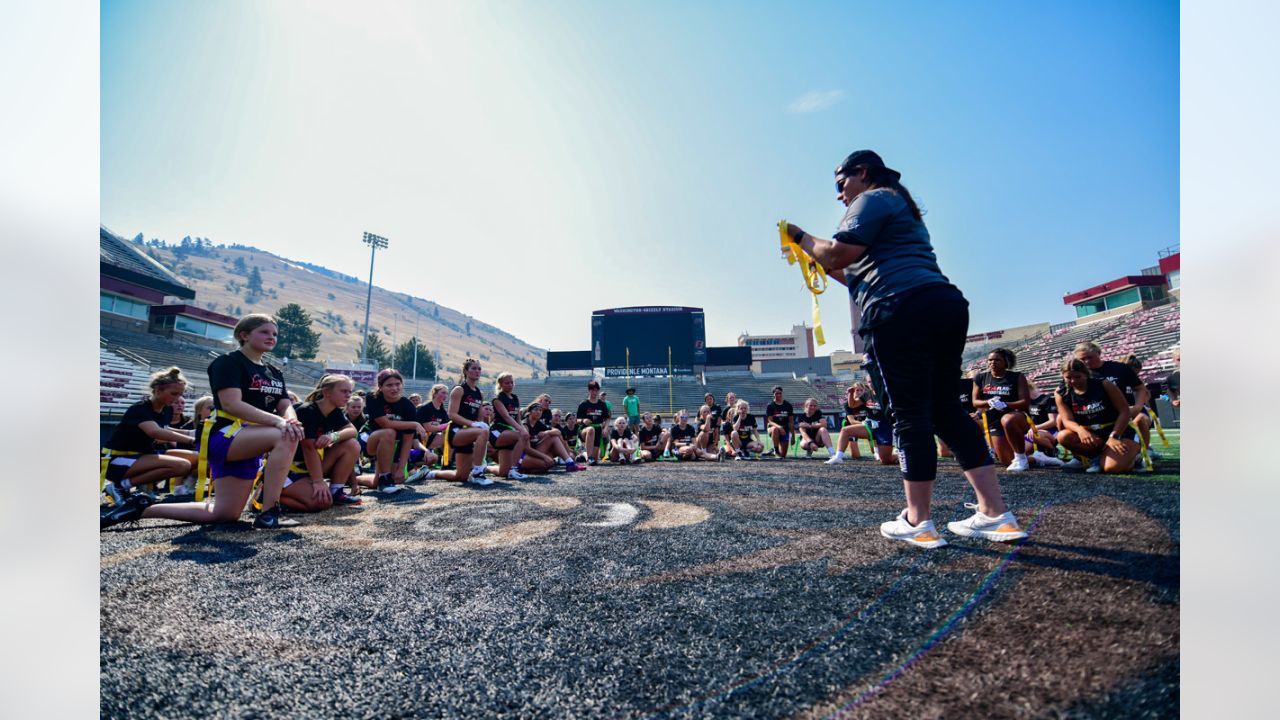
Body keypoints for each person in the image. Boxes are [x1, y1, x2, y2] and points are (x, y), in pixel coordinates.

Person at [784, 149, 1023, 548]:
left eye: (841, 185)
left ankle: (918, 520)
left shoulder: (873, 198)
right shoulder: (900, 209)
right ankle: (996, 513)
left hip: (899, 310)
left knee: (909, 414)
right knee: (946, 410)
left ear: (862, 173)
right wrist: (819, 261)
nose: (840, 195)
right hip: (941, 303)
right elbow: (851, 273)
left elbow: (838, 253)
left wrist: (799, 236)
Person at [103, 314, 304, 530]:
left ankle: (140, 509)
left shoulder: (274, 372)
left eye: (274, 334)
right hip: (225, 435)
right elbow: (231, 404)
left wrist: (291, 420)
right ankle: (269, 511)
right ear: (244, 335)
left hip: (252, 439)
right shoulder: (228, 362)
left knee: (224, 513)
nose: (271, 337)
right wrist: (280, 423)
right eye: (264, 331)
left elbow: (285, 404)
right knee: (285, 434)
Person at [100, 367, 197, 505]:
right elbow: (155, 432)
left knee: (195, 458)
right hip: (117, 459)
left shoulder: (166, 409)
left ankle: (174, 488)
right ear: (157, 390)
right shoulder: (139, 409)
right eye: (174, 394)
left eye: (181, 394)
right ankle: (119, 486)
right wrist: (191, 439)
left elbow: (163, 429)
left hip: (142, 456)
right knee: (182, 465)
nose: (178, 398)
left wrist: (191, 433)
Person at [283, 374, 362, 511]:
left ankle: (336, 492)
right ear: (327, 392)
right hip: (287, 469)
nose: (348, 395)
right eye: (344, 391)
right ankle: (267, 496)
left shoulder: (334, 412)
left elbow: (352, 431)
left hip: (309, 467)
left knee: (352, 444)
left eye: (350, 392)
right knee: (321, 503)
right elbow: (308, 449)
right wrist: (318, 482)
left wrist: (333, 436)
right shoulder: (307, 410)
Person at [1072, 341, 1155, 462]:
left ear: (1099, 353)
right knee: (1062, 420)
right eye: (1082, 359)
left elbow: (1140, 388)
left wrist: (1138, 406)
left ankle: (1143, 453)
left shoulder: (1119, 368)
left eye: (1090, 357)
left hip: (1127, 409)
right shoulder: (1080, 375)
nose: (1086, 361)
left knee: (1140, 419)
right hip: (1097, 412)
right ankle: (1081, 457)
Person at [1054, 357, 1140, 473]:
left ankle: (1135, 458)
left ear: (1085, 374)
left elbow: (1124, 412)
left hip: (1118, 430)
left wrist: (1114, 436)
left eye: (1077, 377)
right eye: (1068, 378)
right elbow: (1067, 420)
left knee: (1112, 468)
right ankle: (1095, 458)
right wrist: (1080, 430)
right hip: (1093, 433)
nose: (1073, 381)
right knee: (1063, 436)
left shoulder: (1103, 384)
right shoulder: (1061, 392)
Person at [424, 359, 493, 486]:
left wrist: (480, 422)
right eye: (473, 368)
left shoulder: (479, 393)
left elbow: (478, 417)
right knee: (482, 432)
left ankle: (429, 474)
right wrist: (473, 424)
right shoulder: (459, 389)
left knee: (460, 476)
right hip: (456, 431)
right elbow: (452, 414)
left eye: (479, 369)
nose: (477, 371)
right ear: (466, 371)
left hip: (469, 433)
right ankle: (478, 472)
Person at [361, 368, 426, 494]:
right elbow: (385, 424)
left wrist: (402, 468)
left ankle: (355, 478)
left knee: (391, 480)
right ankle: (385, 477)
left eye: (397, 384)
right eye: (389, 385)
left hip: (391, 445)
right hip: (370, 439)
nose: (394, 388)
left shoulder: (408, 406)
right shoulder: (373, 397)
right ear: (380, 387)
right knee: (389, 431)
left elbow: (407, 440)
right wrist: (415, 423)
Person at [971, 348, 1035, 472]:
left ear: (1006, 362)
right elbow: (975, 402)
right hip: (993, 421)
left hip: (1016, 417)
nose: (992, 363)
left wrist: (1006, 404)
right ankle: (1037, 458)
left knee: (1007, 419)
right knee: (1007, 461)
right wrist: (988, 402)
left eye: (997, 360)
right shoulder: (981, 377)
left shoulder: (1017, 377)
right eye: (990, 360)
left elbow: (1025, 402)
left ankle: (1021, 457)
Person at [490, 372, 530, 480]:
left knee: (503, 472)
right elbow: (506, 417)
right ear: (500, 384)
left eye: (512, 382)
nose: (510, 385)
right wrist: (521, 430)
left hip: (509, 432)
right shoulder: (497, 399)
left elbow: (518, 418)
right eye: (507, 383)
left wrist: (522, 428)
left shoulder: (515, 398)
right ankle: (514, 469)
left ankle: (486, 468)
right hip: (498, 431)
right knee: (522, 436)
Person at [825, 384, 866, 464]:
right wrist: (865, 424)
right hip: (852, 426)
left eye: (861, 390)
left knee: (877, 453)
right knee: (856, 456)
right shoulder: (848, 404)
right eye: (857, 390)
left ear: (864, 391)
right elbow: (852, 421)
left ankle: (877, 451)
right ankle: (837, 456)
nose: (859, 392)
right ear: (853, 392)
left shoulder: (867, 402)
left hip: (867, 425)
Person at [576, 380, 611, 465]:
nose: (594, 392)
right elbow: (576, 420)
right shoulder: (583, 404)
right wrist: (583, 420)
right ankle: (588, 457)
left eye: (596, 390)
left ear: (598, 391)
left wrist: (606, 428)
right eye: (592, 390)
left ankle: (583, 455)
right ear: (589, 390)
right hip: (585, 430)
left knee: (595, 459)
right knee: (591, 429)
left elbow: (607, 418)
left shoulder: (602, 404)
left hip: (598, 429)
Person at [765, 386, 796, 459]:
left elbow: (791, 422)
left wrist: (793, 437)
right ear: (773, 394)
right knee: (775, 429)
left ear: (782, 393)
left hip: (785, 430)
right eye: (776, 393)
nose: (778, 395)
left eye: (780, 393)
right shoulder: (770, 406)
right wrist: (779, 427)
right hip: (773, 428)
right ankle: (775, 450)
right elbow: (770, 421)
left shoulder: (788, 405)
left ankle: (772, 451)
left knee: (783, 456)